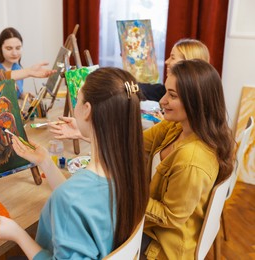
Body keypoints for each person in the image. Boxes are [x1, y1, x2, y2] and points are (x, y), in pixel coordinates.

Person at [49, 60, 235, 259]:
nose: (162, 101)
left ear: (196, 102)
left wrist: (127, 193)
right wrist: (88, 130)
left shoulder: (192, 160)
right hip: (149, 228)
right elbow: (132, 143)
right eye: (166, 91)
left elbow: (170, 218)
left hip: (160, 247)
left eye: (172, 96)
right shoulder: (177, 127)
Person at [0, 67, 149, 259]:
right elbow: (80, 202)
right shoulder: (132, 171)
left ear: (87, 110)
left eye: (78, 100)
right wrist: (46, 162)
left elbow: (73, 202)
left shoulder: (69, 199)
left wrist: (18, 234)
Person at [139, 38, 210, 101]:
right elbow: (149, 89)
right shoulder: (166, 89)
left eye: (173, 58)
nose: (166, 61)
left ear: (188, 62)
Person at [0, 27, 32, 100]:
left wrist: (22, 94)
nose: (14, 53)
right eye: (9, 48)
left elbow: (16, 92)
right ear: (0, 48)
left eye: (18, 48)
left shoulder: (17, 67)